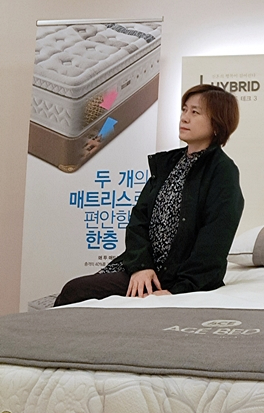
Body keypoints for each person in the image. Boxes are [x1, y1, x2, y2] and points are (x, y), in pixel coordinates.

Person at [54, 84, 244, 306]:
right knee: (76, 293)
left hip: (174, 278)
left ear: (217, 125)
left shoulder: (223, 172)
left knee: (74, 292)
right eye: (184, 109)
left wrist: (180, 291)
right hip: (141, 268)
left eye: (195, 112)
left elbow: (214, 242)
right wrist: (141, 266)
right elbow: (139, 220)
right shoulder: (168, 163)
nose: (184, 117)